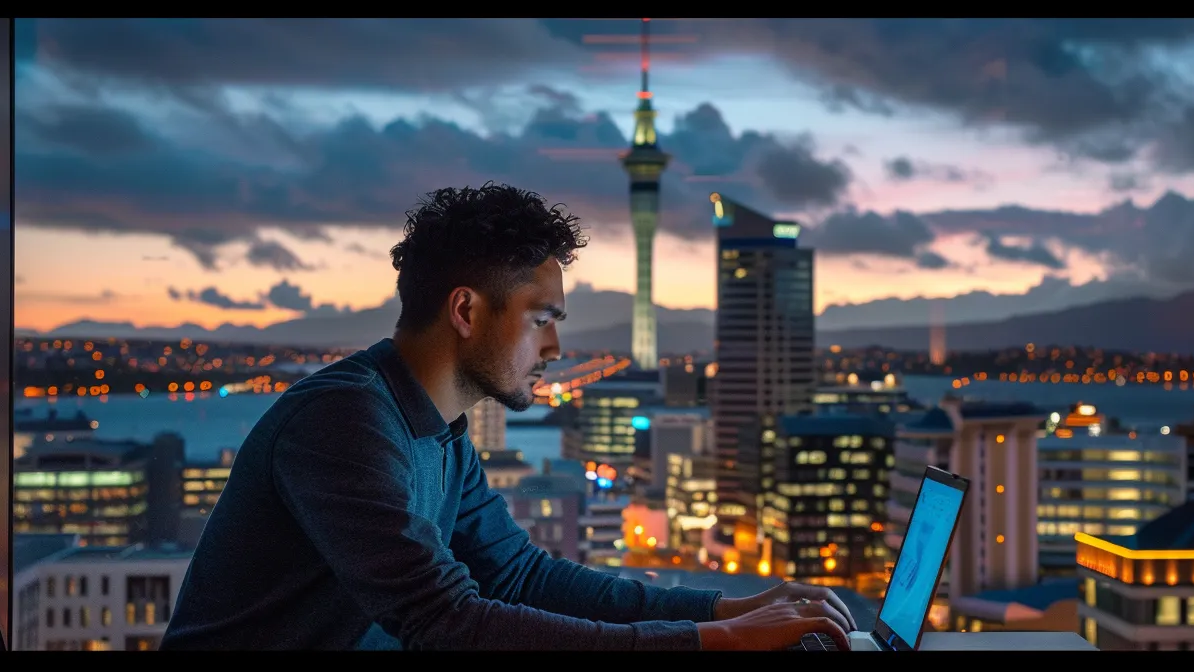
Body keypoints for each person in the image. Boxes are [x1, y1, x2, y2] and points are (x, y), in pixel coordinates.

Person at [161, 183, 855, 650]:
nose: (556, 346)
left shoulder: (439, 431)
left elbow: (520, 576)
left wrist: (721, 611)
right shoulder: (345, 423)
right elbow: (447, 621)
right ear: (466, 311)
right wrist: (716, 643)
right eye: (541, 319)